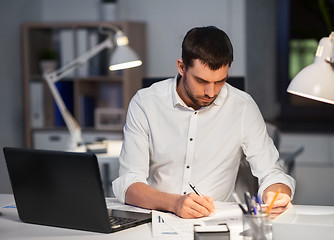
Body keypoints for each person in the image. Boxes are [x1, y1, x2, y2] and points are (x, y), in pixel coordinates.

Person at [112, 26, 295, 219]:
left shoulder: (243, 107)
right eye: (201, 81)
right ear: (181, 67)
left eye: (220, 81)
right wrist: (174, 203)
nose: (211, 92)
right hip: (157, 217)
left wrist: (276, 193)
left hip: (216, 222)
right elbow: (128, 183)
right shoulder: (145, 102)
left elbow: (272, 173)